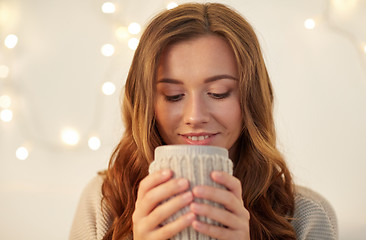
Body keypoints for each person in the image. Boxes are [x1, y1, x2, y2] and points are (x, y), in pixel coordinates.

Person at [69, 3, 338, 240]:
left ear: (251, 98)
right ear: (147, 104)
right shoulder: (104, 203)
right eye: (173, 96)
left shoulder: (306, 217)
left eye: (218, 93)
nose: (195, 117)